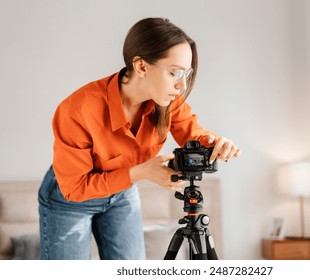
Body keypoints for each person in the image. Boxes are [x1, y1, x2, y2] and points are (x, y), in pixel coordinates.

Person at [38, 17, 241, 260]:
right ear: (142, 67)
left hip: (122, 193)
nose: (181, 85)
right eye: (175, 73)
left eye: (186, 74)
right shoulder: (77, 110)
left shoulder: (167, 100)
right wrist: (142, 172)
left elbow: (193, 133)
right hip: (70, 198)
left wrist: (216, 144)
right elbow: (75, 188)